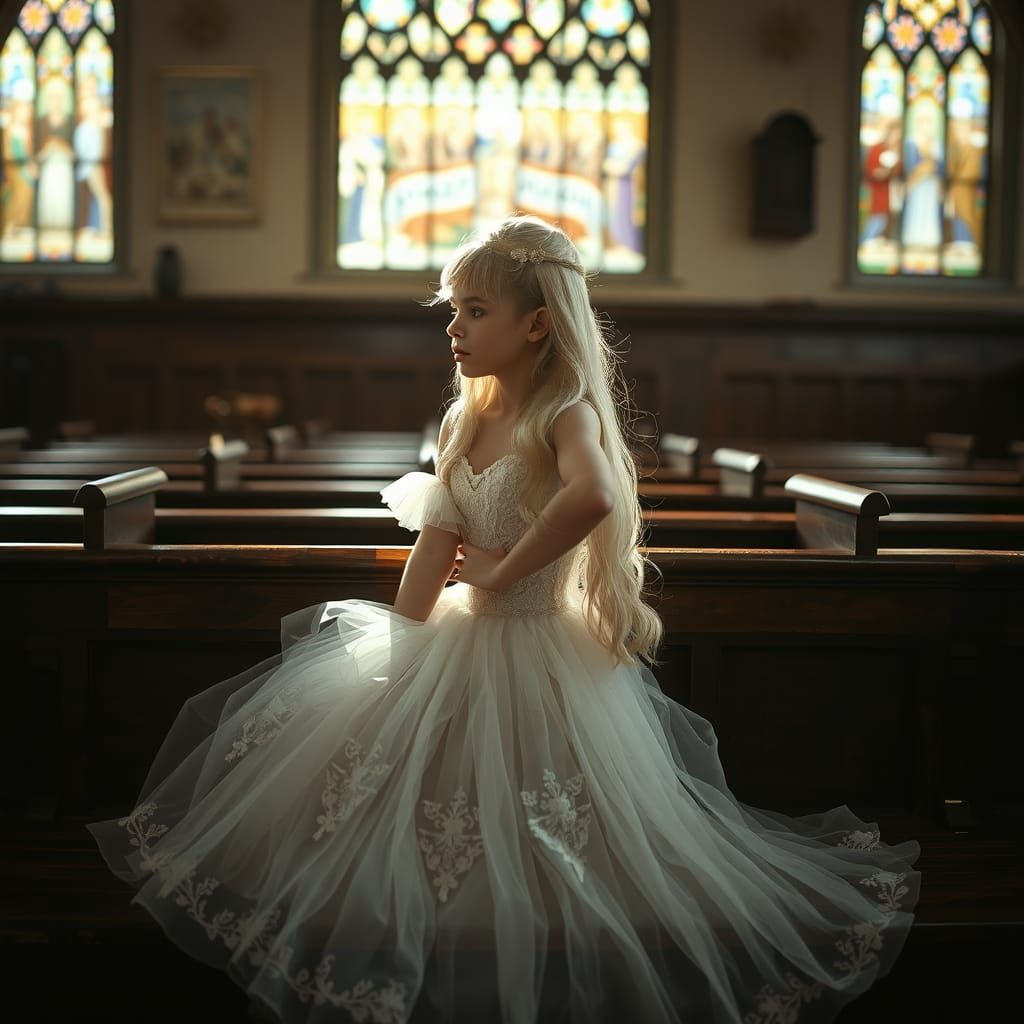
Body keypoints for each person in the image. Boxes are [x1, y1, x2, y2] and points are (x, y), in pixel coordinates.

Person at [87, 215, 921, 1024]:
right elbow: (436, 541)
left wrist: (500, 570)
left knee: (543, 829)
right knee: (398, 812)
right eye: (452, 309)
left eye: (474, 311)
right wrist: (397, 643)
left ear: (534, 325)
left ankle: (534, 953)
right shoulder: (464, 417)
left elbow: (591, 497)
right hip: (452, 641)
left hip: (537, 649)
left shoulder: (563, 415)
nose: (454, 326)